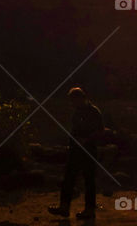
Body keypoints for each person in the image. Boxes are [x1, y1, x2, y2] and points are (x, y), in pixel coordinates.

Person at [48, 87, 103, 220]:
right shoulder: (77, 112)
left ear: (81, 98)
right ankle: (64, 207)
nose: (73, 104)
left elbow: (100, 130)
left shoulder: (93, 112)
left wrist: (86, 140)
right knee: (68, 179)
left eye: (74, 101)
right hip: (75, 150)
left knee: (88, 180)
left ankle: (89, 210)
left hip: (88, 150)